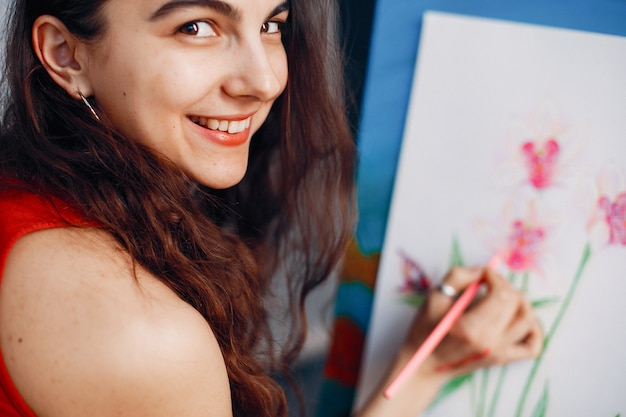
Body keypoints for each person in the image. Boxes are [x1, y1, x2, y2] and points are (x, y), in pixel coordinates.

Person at [0, 0, 543, 416]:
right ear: (66, 54)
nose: (263, 82)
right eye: (196, 27)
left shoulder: (29, 201)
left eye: (272, 25)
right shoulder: (145, 332)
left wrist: (422, 371)